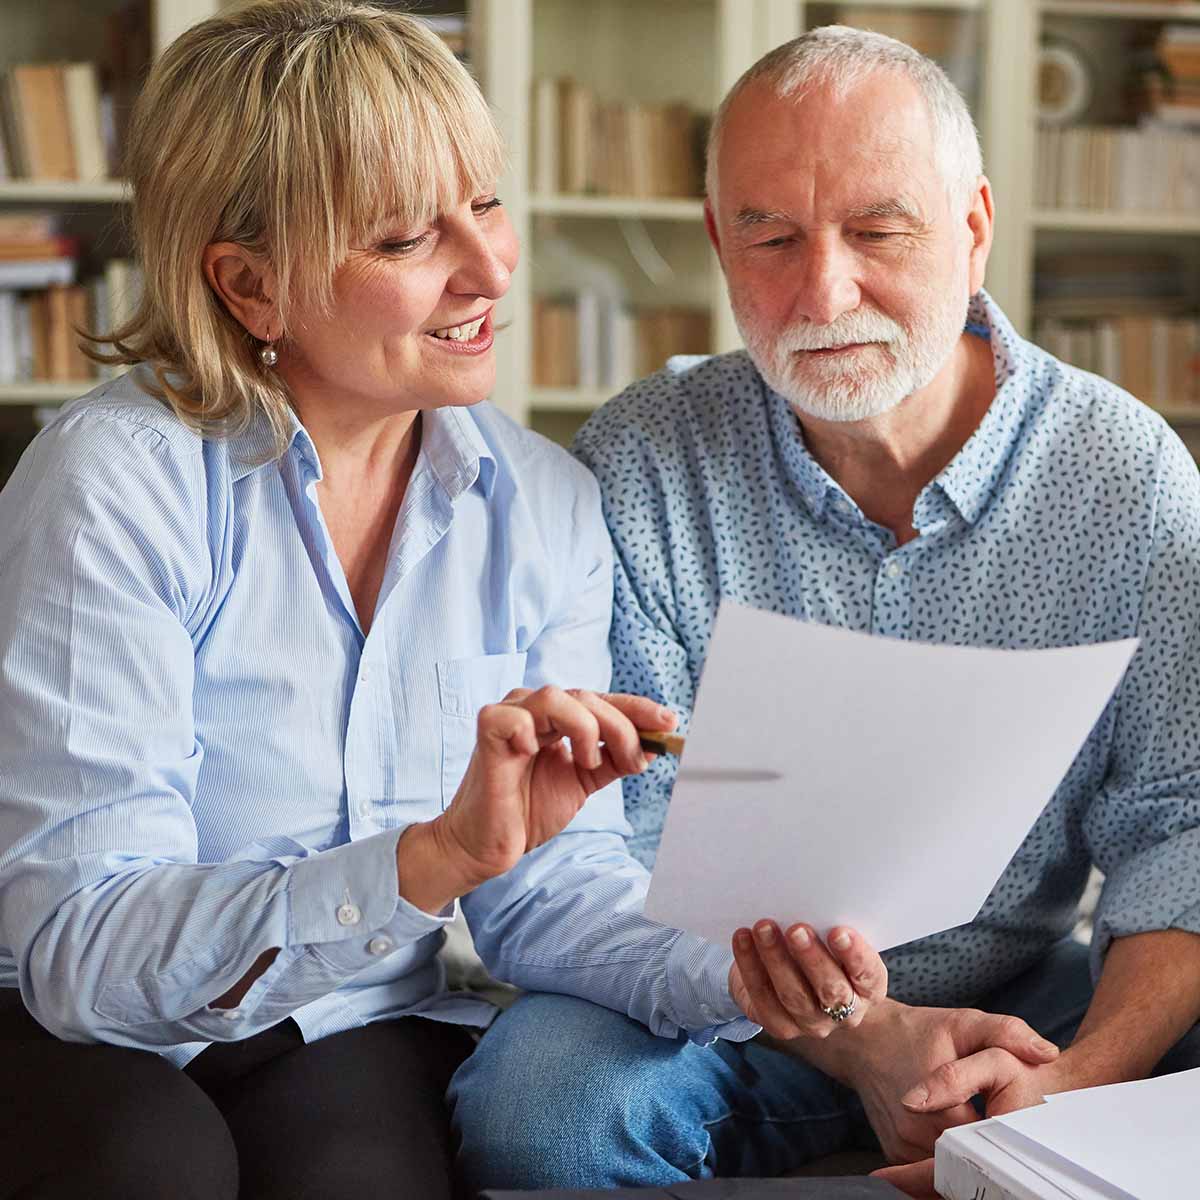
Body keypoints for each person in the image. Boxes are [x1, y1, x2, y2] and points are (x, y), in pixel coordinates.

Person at [0, 4, 860, 1197]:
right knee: (151, 1163)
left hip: (346, 1013)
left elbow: (549, 893)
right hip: (76, 1023)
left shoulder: (543, 505)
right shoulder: (116, 483)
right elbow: (83, 954)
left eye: (487, 204)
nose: (493, 270)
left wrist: (737, 973)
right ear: (251, 286)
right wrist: (427, 860)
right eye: (407, 237)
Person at [459, 24, 1200, 1200]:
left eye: (878, 231)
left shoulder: (1125, 477)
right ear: (718, 240)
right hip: (718, 1007)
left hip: (1018, 989)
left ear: (974, 227)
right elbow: (610, 842)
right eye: (772, 236)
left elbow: (1180, 826)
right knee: (540, 1116)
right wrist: (866, 1039)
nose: (824, 292)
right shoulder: (645, 460)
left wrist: (1077, 1083)